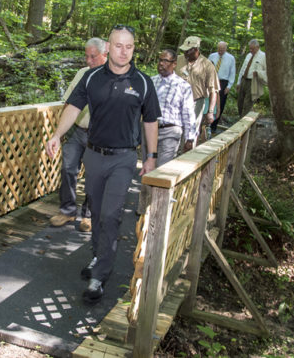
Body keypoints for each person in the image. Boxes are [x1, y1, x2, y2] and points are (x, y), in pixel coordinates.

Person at [46, 25, 161, 304]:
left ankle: (99, 276)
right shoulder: (91, 78)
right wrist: (57, 135)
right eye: (118, 46)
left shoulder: (143, 82)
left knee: (111, 215)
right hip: (94, 155)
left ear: (134, 49)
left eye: (129, 46)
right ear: (108, 47)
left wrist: (151, 157)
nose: (124, 51)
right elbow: (72, 108)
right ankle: (98, 255)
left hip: (123, 158)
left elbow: (150, 121)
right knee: (96, 213)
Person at [50, 38, 108, 232]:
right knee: (68, 169)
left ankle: (88, 216)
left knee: (94, 175)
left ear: (104, 55)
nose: (88, 61)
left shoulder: (112, 77)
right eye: (86, 56)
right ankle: (67, 211)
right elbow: (69, 102)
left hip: (97, 135)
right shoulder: (82, 74)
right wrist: (59, 133)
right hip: (76, 131)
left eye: (93, 57)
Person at [137, 49, 196, 215]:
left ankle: (157, 211)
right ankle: (143, 210)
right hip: (149, 130)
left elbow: (188, 113)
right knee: (148, 168)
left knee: (162, 170)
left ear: (174, 64)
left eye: (165, 61)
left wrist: (190, 138)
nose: (161, 64)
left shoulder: (183, 86)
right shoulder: (150, 82)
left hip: (170, 131)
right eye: (160, 60)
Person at [176, 36, 219, 145]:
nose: (185, 53)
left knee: (191, 131)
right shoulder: (178, 60)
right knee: (175, 129)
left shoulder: (207, 65)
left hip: (196, 102)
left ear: (195, 49)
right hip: (177, 101)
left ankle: (187, 156)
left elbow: (213, 90)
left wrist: (210, 112)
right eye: (184, 50)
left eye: (187, 50)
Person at [208, 41, 236, 135]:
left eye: (222, 49)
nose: (220, 51)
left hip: (223, 82)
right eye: (219, 49)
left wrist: (229, 86)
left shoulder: (231, 58)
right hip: (211, 80)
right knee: (208, 101)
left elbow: (232, 73)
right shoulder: (212, 56)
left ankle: (214, 126)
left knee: (220, 104)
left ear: (225, 49)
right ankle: (206, 123)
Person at [236, 39, 267, 117]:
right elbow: (243, 68)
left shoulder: (263, 56)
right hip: (243, 80)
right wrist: (238, 82)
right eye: (250, 48)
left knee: (248, 104)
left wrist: (258, 73)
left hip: (253, 82)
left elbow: (267, 71)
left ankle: (243, 124)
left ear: (258, 47)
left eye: (252, 49)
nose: (251, 50)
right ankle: (241, 118)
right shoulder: (248, 55)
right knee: (240, 102)